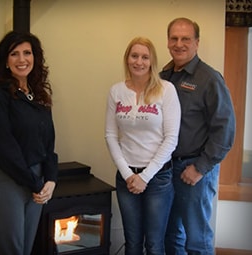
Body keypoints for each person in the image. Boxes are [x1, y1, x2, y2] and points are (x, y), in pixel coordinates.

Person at [160, 17, 236, 254]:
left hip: (195, 170)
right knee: (171, 236)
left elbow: (225, 130)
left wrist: (200, 168)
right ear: (168, 42)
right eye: (174, 38)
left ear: (197, 43)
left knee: (197, 238)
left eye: (186, 39)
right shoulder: (164, 76)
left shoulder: (209, 79)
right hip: (167, 169)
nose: (179, 44)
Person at [0, 30, 58, 255]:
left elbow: (49, 144)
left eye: (27, 53)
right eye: (14, 54)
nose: (22, 59)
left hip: (37, 181)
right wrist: (35, 183)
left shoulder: (40, 96)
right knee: (12, 249)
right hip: (9, 180)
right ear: (5, 61)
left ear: (35, 57)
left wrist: (51, 180)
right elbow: (4, 149)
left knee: (26, 248)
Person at [105, 36, 181, 255]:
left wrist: (144, 177)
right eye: (134, 56)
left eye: (145, 57)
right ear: (127, 59)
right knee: (133, 243)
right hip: (126, 178)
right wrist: (128, 175)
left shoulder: (166, 90)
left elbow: (171, 139)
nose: (139, 61)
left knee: (155, 245)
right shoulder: (116, 91)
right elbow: (110, 135)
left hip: (157, 179)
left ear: (152, 61)